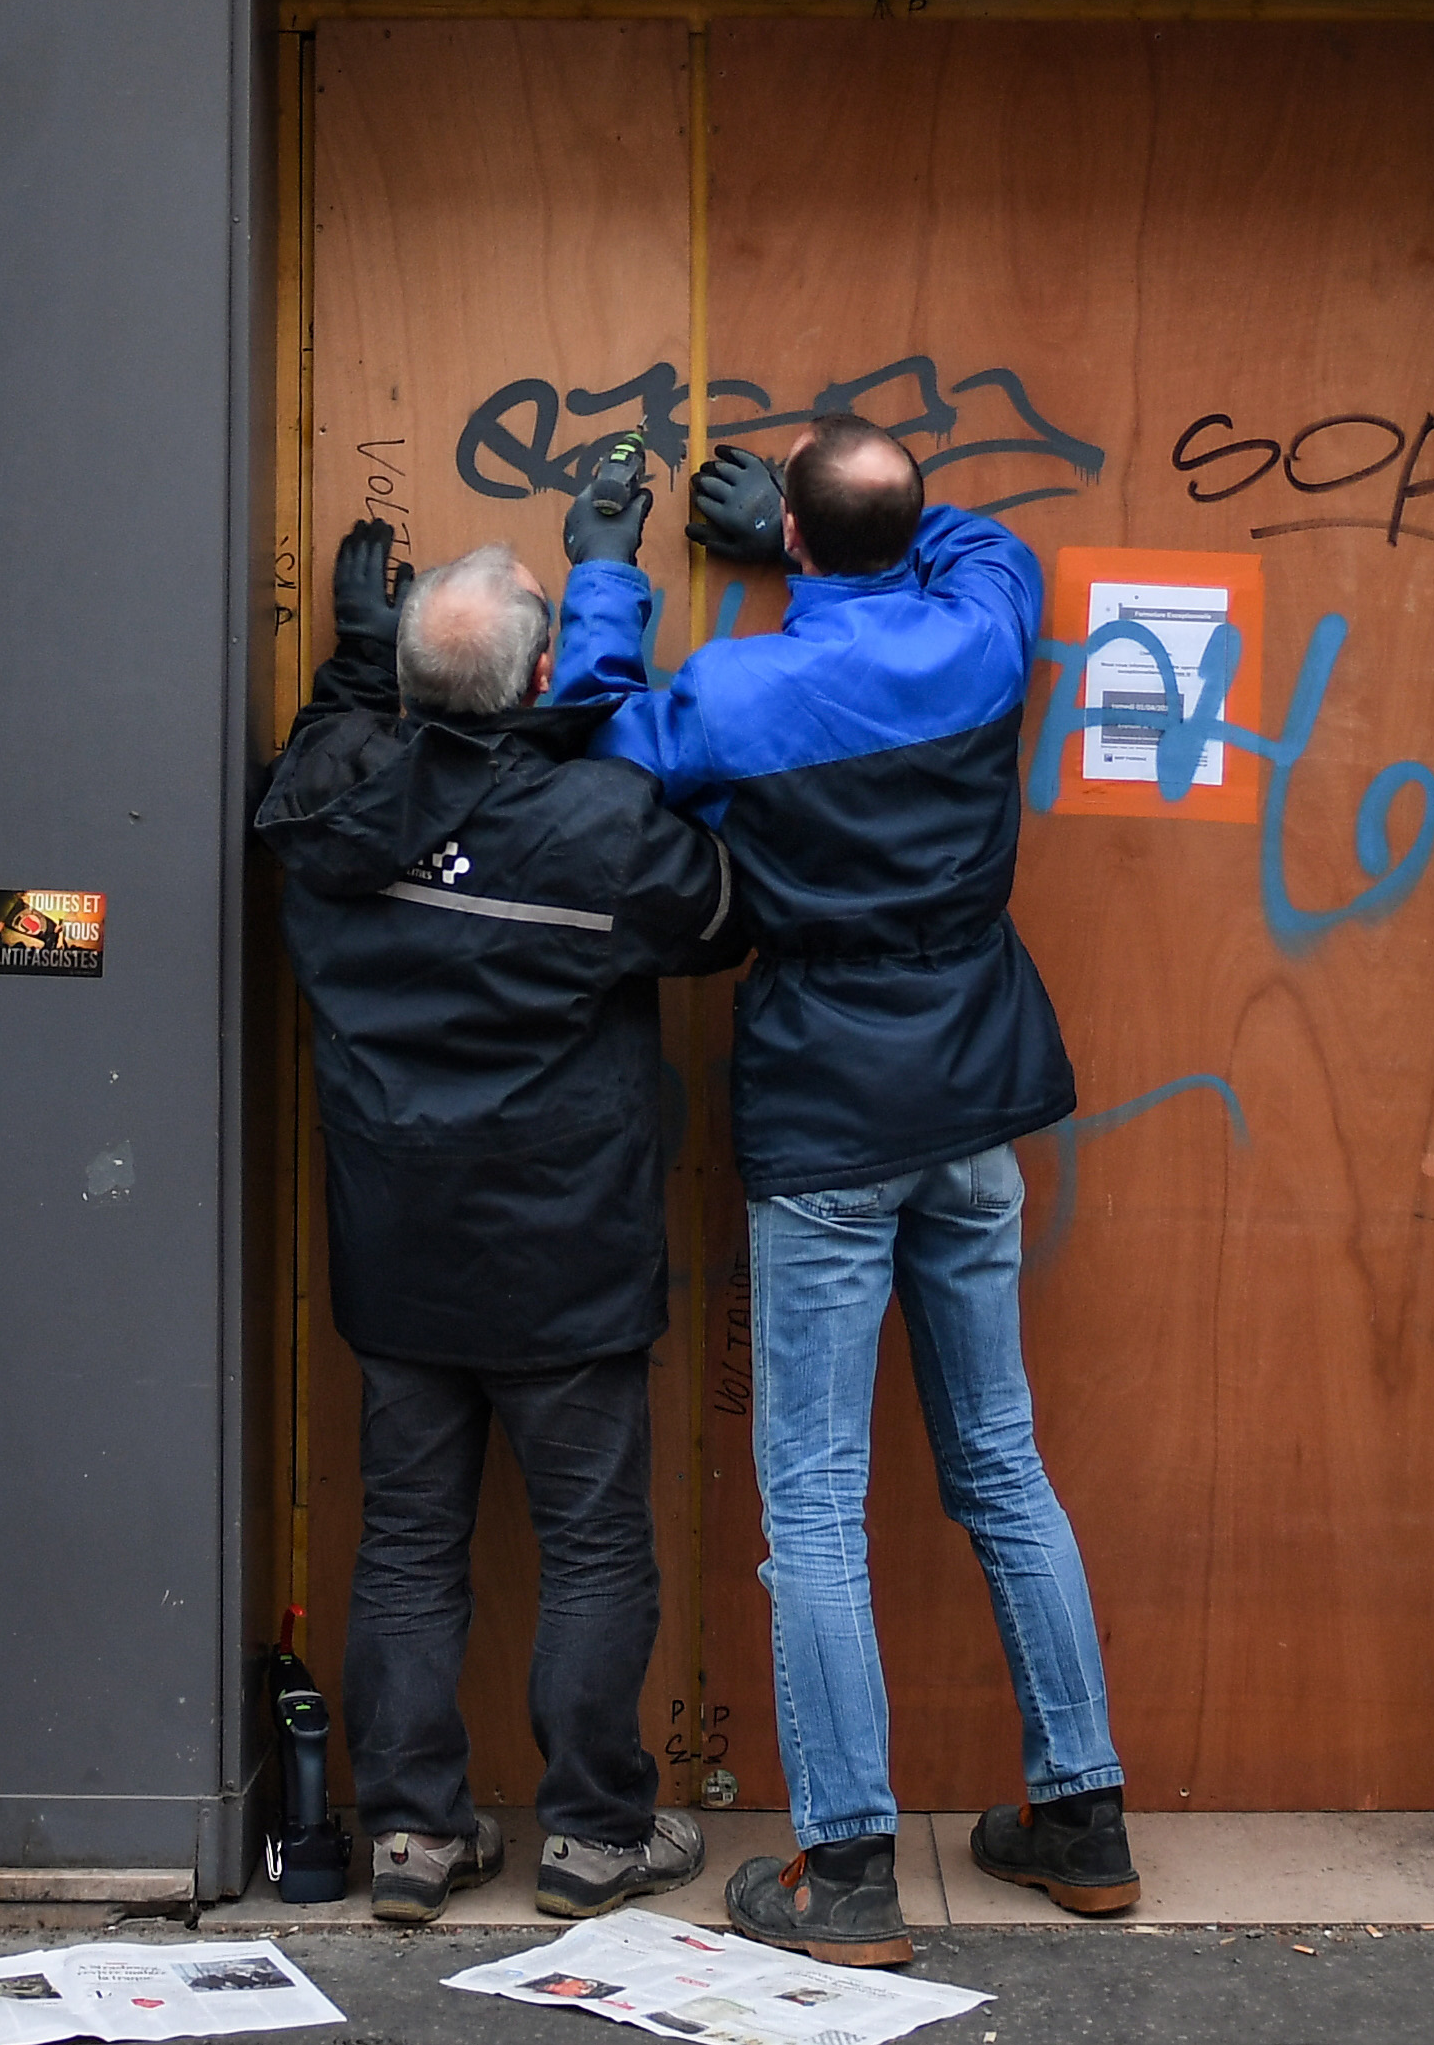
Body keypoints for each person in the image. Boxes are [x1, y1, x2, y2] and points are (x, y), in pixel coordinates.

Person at [551, 416, 1140, 1966]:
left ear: (791, 543)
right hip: (973, 1102)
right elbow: (990, 549)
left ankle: (851, 1871)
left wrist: (605, 579)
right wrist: (827, 540)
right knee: (1000, 1466)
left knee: (812, 1501)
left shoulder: (741, 689)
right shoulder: (971, 636)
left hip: (828, 1112)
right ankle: (1080, 1823)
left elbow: (602, 751)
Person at [250, 459, 742, 1927]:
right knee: (592, 1543)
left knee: (407, 1539)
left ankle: (410, 1838)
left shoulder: (329, 802)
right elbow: (720, 915)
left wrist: (351, 660)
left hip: (400, 1246)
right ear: (542, 671)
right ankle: (592, 1838)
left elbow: (326, 765)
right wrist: (607, 640)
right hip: (564, 1252)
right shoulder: (595, 824)